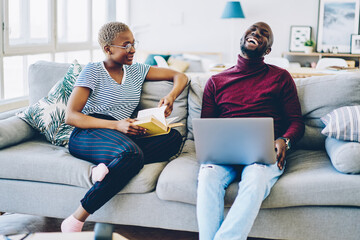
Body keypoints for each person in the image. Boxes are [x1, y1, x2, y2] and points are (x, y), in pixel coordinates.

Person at [61, 22, 188, 232]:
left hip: (122, 134)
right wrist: (116, 125)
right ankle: (76, 218)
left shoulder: (137, 71)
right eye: (126, 45)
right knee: (131, 155)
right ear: (107, 49)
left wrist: (170, 97)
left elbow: (179, 76)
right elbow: (71, 116)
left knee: (172, 138)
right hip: (88, 132)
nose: (133, 50)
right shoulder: (93, 70)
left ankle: (106, 168)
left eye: (133, 44)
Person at [196, 22, 305, 240]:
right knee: (207, 177)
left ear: (267, 50)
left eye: (264, 34)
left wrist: (285, 139)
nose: (256, 33)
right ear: (242, 39)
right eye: (253, 29)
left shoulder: (281, 77)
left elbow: (296, 122)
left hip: (263, 153)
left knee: (255, 178)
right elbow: (206, 125)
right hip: (223, 154)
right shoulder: (216, 81)